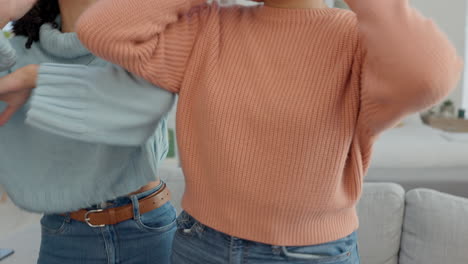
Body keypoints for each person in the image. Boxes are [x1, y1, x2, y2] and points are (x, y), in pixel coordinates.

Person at [0, 0, 462, 263]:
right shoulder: (208, 28)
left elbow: (430, 73)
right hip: (198, 243)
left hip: (308, 253)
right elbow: (107, 29)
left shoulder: (353, 40)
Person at [0, 0, 177, 263]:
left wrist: (36, 77)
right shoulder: (18, 51)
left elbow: (131, 108)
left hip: (149, 230)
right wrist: (5, 11)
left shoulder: (143, 33)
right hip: (65, 235)